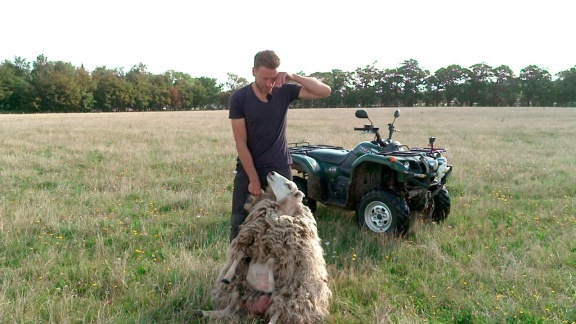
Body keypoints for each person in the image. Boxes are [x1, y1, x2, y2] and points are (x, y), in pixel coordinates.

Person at [228, 50, 331, 241]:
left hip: (280, 167)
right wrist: (253, 179)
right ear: (253, 72)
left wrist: (293, 76)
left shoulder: (284, 90)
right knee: (239, 224)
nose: (269, 84)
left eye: (273, 78)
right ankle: (238, 269)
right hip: (250, 169)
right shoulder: (239, 98)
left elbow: (324, 91)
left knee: (285, 224)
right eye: (265, 78)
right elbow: (240, 142)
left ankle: (280, 268)